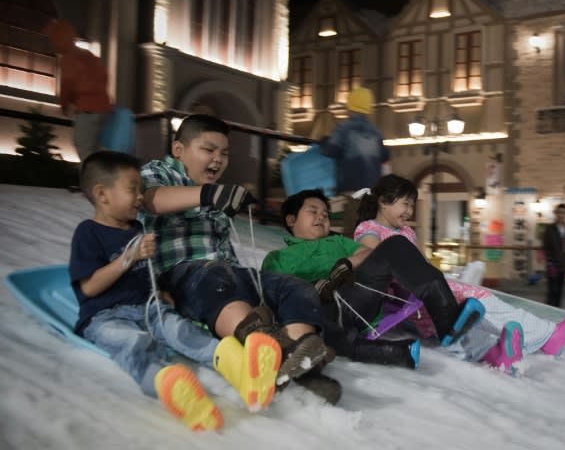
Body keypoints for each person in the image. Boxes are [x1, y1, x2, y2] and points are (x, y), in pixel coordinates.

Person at [70, 150, 286, 431]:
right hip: (104, 316)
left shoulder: (136, 227)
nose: (140, 196)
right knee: (133, 343)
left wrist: (158, 290)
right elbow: (88, 287)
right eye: (133, 189)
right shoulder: (88, 232)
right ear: (102, 194)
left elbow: (144, 272)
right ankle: (168, 383)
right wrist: (127, 258)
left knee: (183, 331)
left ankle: (243, 370)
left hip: (148, 307)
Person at [138, 114, 337, 402]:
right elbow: (151, 200)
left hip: (224, 273)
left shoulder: (217, 197)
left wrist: (251, 283)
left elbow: (224, 250)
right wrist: (208, 194)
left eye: (224, 153)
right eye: (209, 150)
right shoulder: (159, 173)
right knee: (215, 277)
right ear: (179, 150)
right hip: (183, 277)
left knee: (292, 287)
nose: (218, 159)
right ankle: (267, 345)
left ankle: (301, 353)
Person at [354, 174, 565, 374]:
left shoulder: (407, 231)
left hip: (424, 290)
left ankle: (498, 353)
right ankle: (547, 335)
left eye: (412, 206)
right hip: (408, 294)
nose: (410, 212)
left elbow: (421, 264)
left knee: (471, 309)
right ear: (383, 202)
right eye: (406, 204)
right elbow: (375, 259)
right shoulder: (369, 229)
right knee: (475, 299)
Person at [262, 188, 487, 369]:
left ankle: (447, 320)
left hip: (356, 298)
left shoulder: (337, 242)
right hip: (316, 314)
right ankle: (393, 353)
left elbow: (368, 252)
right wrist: (311, 288)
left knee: (396, 244)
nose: (322, 216)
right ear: (291, 220)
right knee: (316, 321)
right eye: (313, 211)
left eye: (325, 214)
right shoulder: (278, 257)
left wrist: (348, 264)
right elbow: (274, 294)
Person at [43, 18, 113, 162]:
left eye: (52, 39)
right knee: (101, 153)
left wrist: (64, 106)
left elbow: (67, 86)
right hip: (104, 110)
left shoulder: (68, 59)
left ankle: (90, 183)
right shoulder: (90, 56)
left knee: (85, 152)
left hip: (86, 111)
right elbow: (105, 76)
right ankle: (105, 181)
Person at [319, 86, 389, 194]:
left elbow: (329, 150)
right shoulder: (376, 132)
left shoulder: (344, 129)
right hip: (372, 190)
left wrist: (323, 141)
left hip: (350, 188)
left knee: (352, 210)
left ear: (349, 106)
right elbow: (385, 158)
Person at [542, 203, 565, 307]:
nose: (561, 215)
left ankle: (557, 315)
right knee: (552, 291)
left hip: (564, 265)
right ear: (556, 213)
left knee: (560, 291)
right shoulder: (549, 229)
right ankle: (548, 315)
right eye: (559, 212)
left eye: (564, 213)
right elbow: (546, 246)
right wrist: (549, 262)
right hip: (553, 264)